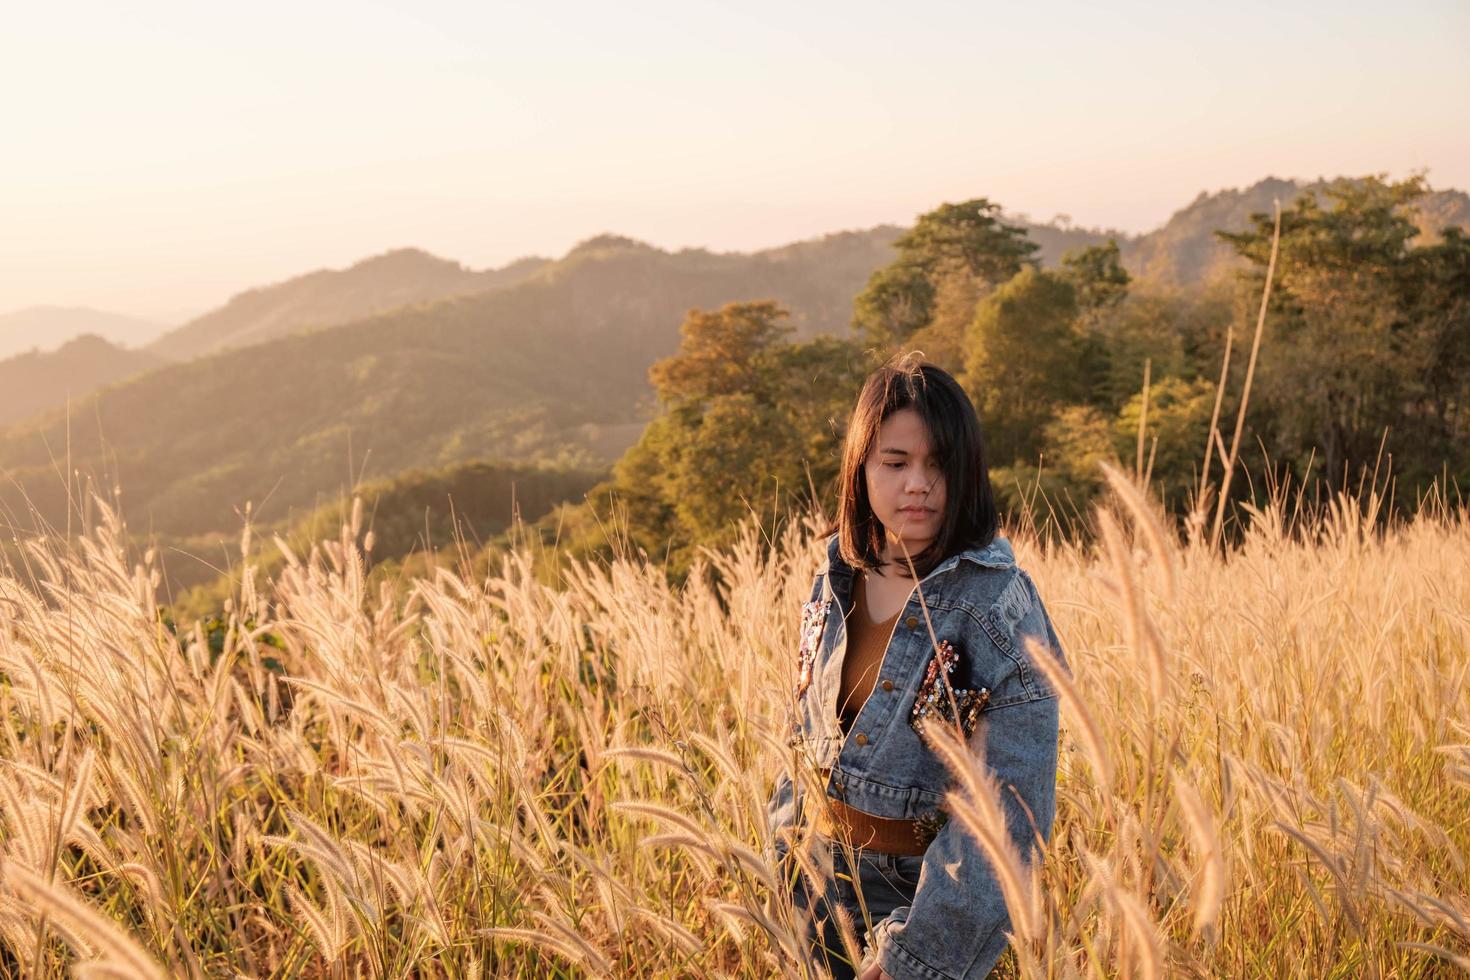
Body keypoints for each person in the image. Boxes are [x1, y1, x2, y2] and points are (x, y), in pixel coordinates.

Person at [767, 353, 1064, 980]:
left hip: (918, 899)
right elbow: (804, 735)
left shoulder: (997, 602)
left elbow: (1014, 806)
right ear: (862, 469)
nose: (918, 484)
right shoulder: (836, 576)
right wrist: (779, 855)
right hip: (812, 881)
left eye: (939, 465)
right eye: (896, 463)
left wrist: (917, 954)